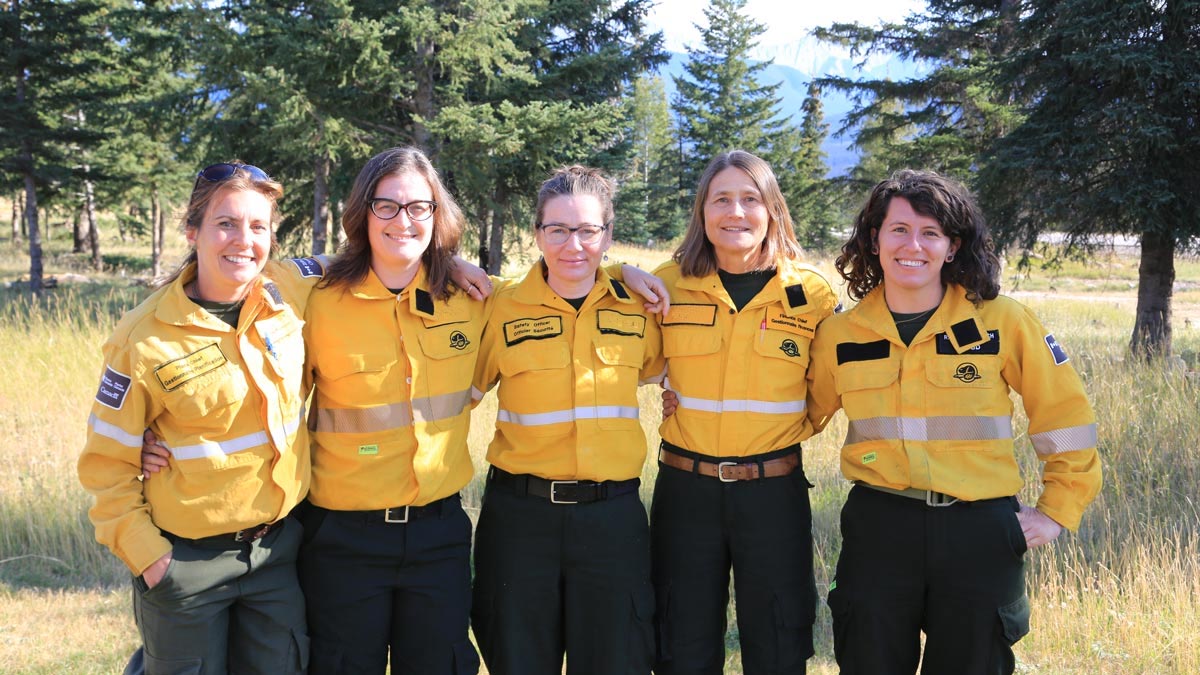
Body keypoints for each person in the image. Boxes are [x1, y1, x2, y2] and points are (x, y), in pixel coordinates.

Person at [805, 169, 1102, 674]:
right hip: (880, 530)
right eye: (898, 229)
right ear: (874, 240)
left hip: (978, 533)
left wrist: (1056, 509)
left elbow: (1066, 415)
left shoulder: (1001, 321)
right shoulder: (839, 333)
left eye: (930, 232)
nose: (912, 245)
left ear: (952, 245)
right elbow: (800, 414)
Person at [78, 162, 321, 674]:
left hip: (277, 555)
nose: (244, 240)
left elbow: (366, 260)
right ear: (193, 231)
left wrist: (454, 266)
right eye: (226, 223)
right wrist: (153, 561)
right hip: (184, 563)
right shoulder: (143, 337)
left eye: (259, 226)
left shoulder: (287, 292)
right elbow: (106, 467)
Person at [646, 150, 839, 674]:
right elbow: (629, 355)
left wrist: (784, 429)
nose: (736, 212)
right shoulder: (667, 283)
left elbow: (827, 388)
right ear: (702, 211)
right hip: (686, 492)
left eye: (750, 199)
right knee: (680, 643)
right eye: (722, 199)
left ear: (772, 209)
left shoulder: (811, 294)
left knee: (779, 641)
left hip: (772, 492)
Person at [295, 146, 485, 675]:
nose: (404, 221)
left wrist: (625, 273)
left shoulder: (471, 300)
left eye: (419, 207)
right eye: (388, 206)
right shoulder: (317, 301)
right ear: (363, 212)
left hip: (438, 535)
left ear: (436, 215)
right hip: (342, 539)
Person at [469, 166, 666, 675]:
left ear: (608, 235)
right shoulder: (499, 307)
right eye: (556, 229)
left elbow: (678, 374)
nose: (571, 244)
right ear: (537, 233)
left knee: (615, 661)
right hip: (520, 519)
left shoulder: (641, 308)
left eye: (586, 230)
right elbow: (460, 394)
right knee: (516, 660)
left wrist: (624, 272)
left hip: (611, 522)